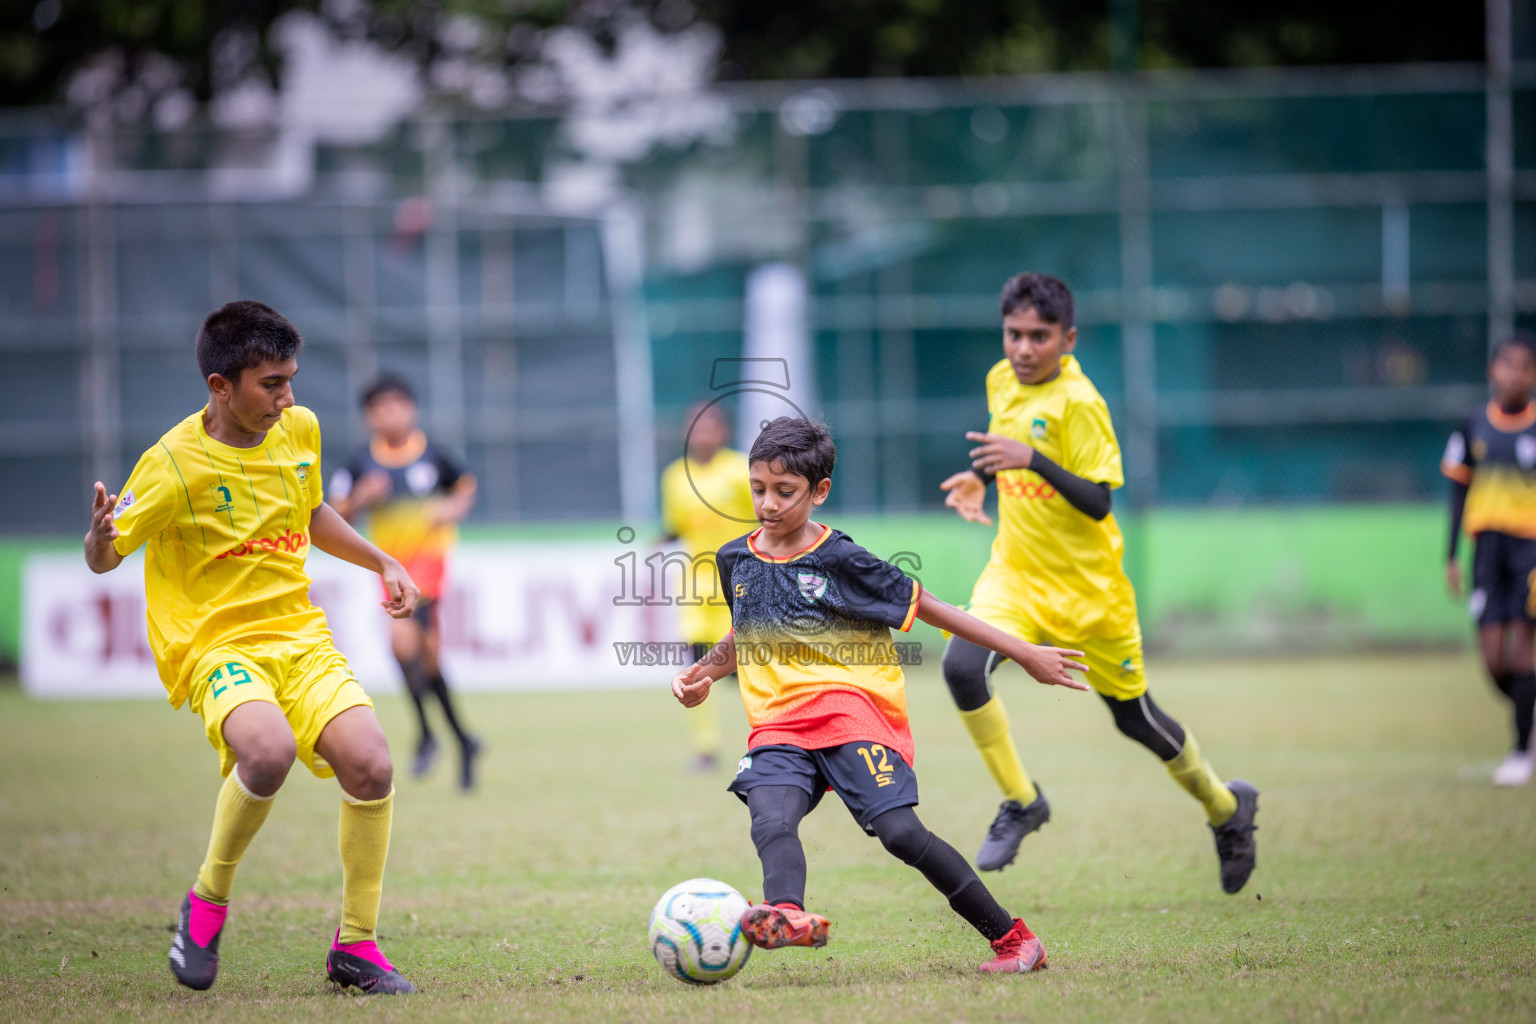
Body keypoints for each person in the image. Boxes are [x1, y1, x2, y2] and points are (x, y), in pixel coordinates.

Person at [670, 416, 1091, 974]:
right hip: (777, 723)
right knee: (770, 818)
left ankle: (1015, 940)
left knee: (899, 832)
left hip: (852, 713)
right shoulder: (735, 559)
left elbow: (935, 608)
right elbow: (749, 630)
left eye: (785, 492)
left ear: (819, 492)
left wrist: (1024, 652)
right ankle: (787, 914)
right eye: (758, 489)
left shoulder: (843, 560)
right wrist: (703, 671)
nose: (768, 504)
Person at [83, 300, 418, 994]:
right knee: (269, 753)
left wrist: (381, 561)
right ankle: (206, 903)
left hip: (298, 635)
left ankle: (356, 945)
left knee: (373, 765)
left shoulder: (299, 429)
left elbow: (312, 509)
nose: (287, 397)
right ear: (220, 386)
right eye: (271, 383)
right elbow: (106, 558)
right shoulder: (173, 462)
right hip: (215, 643)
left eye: (291, 379)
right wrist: (96, 535)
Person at [938, 272, 1259, 893]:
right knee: (959, 667)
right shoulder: (1001, 380)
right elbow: (1007, 453)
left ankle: (1226, 810)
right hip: (1016, 575)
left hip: (1090, 595)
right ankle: (1022, 800)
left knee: (1134, 719)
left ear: (1068, 338)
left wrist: (1032, 460)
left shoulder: (1080, 404)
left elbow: (1097, 501)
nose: (1024, 348)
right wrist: (985, 479)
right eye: (1014, 335)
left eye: (1039, 336)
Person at [329, 375, 481, 790]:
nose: (389, 415)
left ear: (411, 409)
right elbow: (334, 517)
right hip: (390, 567)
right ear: (368, 417)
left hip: (429, 565)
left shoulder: (433, 455)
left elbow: (465, 486)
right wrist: (360, 498)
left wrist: (452, 507)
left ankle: (429, 737)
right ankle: (462, 741)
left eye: (396, 406)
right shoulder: (361, 464)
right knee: (427, 659)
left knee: (401, 644)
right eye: (379, 408)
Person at [1442, 335, 1536, 786]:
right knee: (1493, 660)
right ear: (1492, 371)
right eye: (1507, 365)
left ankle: (1520, 751)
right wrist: (1450, 555)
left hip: (1530, 549)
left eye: (1524, 367)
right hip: (1486, 550)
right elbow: (1458, 489)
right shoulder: (1473, 425)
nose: (1515, 374)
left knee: (1524, 646)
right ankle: (1528, 709)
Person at [658, 401, 755, 771]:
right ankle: (705, 746)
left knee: (745, 665)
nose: (702, 434)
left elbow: (763, 518)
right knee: (695, 663)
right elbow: (678, 526)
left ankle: (770, 740)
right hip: (696, 585)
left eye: (710, 427)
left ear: (723, 432)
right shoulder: (674, 477)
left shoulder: (738, 471)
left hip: (739, 581)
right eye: (696, 427)